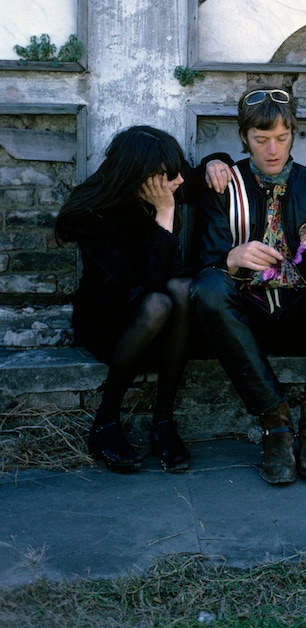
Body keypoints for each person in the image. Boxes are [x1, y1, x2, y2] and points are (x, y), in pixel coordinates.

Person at [189, 86, 306, 484]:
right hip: (248, 313)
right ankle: (275, 421)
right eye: (261, 140)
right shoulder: (225, 186)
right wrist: (232, 257)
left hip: (304, 310)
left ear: (294, 134)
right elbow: (202, 264)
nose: (272, 150)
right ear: (244, 138)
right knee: (209, 286)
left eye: (282, 138)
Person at [55, 125, 196, 474]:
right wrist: (164, 215)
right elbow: (142, 280)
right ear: (140, 176)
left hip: (161, 321)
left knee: (180, 289)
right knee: (158, 302)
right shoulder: (90, 213)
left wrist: (218, 162)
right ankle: (105, 421)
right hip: (109, 320)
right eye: (169, 176)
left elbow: (198, 179)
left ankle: (163, 420)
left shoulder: (164, 178)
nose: (179, 181)